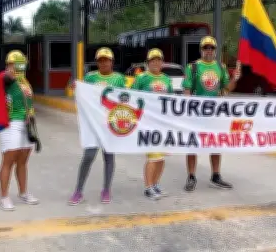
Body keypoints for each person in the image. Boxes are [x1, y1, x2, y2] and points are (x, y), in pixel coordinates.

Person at [182, 36, 240, 192]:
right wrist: (187, 109)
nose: (208, 50)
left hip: (215, 113)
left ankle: (215, 175)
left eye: (211, 48)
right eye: (205, 48)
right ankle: (191, 176)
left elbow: (226, 89)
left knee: (216, 144)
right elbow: (187, 89)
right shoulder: (193, 67)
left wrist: (235, 78)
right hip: (196, 113)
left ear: (215, 50)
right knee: (192, 144)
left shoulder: (220, 67)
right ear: (201, 50)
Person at [68, 47, 125, 206]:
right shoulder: (90, 77)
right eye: (100, 60)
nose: (103, 63)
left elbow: (125, 98)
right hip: (93, 124)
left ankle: (106, 189)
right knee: (88, 157)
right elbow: (83, 95)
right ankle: (78, 191)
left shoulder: (119, 78)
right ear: (97, 62)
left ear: (112, 62)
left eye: (106, 60)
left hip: (110, 124)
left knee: (109, 157)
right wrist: (75, 88)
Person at [0, 50, 39, 211]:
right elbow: (2, 78)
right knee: (8, 160)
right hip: (11, 124)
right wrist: (8, 74)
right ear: (8, 64)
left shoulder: (24, 80)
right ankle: (4, 197)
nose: (17, 67)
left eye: (20, 64)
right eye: (13, 64)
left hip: (26, 125)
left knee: (23, 160)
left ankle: (23, 192)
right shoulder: (6, 78)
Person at [130, 48, 173, 200]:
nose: (156, 62)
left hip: (163, 123)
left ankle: (155, 184)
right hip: (148, 123)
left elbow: (171, 101)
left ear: (162, 62)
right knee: (153, 157)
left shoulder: (167, 79)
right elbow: (132, 97)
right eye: (152, 60)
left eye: (158, 59)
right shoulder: (141, 78)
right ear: (148, 63)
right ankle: (148, 187)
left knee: (161, 158)